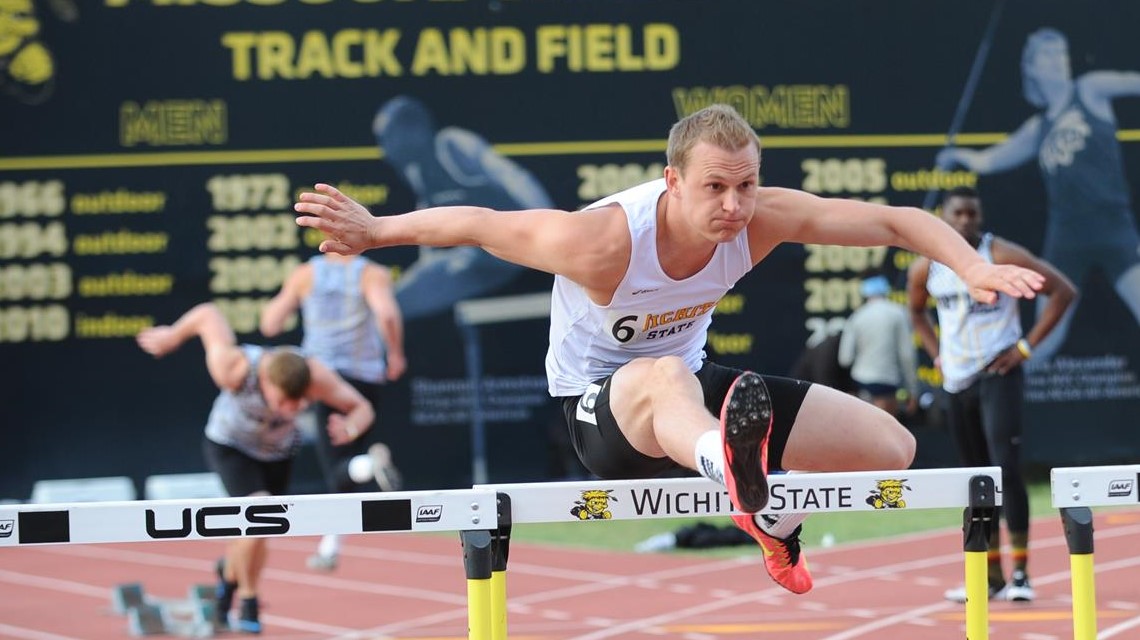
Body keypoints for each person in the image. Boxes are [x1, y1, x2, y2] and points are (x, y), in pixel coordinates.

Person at [294, 104, 1044, 595]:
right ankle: (739, 479)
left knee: (892, 446)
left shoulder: (762, 218)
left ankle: (767, 517)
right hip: (602, 413)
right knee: (654, 372)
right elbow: (483, 223)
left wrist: (972, 267)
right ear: (672, 183)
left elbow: (895, 222)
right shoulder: (603, 241)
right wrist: (379, 230)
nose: (733, 205)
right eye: (715, 188)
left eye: (746, 185)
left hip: (693, 389)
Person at [136, 302, 376, 633]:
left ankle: (228, 578)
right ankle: (248, 599)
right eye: (282, 403)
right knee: (259, 517)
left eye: (300, 404)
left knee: (258, 530)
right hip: (231, 446)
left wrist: (350, 426)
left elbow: (362, 407)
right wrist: (173, 336)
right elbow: (208, 315)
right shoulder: (234, 367)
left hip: (278, 454)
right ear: (264, 381)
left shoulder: (316, 376)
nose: (291, 410)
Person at [906, 186, 1076, 603]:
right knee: (974, 479)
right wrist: (938, 353)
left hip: (998, 374)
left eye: (971, 214)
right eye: (958, 214)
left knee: (1006, 468)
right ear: (944, 218)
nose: (965, 220)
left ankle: (1020, 573)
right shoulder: (927, 266)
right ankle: (989, 573)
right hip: (957, 380)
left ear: (979, 218)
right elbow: (915, 310)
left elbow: (1063, 291)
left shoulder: (999, 255)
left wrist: (1024, 348)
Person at [936, 27, 1140, 367]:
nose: (1058, 61)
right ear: (1031, 67)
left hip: (1113, 227)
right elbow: (990, 160)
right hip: (1067, 237)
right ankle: (1006, 383)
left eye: (1061, 53)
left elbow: (1133, 80)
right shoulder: (1038, 128)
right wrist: (956, 155)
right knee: (1048, 335)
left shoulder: (1088, 90)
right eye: (1047, 54)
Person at [260, 252, 407, 571]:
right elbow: (387, 314)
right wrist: (395, 353)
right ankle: (330, 546)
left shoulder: (305, 274)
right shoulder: (372, 273)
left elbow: (270, 323)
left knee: (340, 467)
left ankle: (366, 467)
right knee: (343, 464)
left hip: (322, 378)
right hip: (362, 378)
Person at [373, 94, 556, 320]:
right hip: (481, 261)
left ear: (415, 130)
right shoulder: (417, 173)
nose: (384, 149)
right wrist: (426, 275)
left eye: (388, 138)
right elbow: (425, 229)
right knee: (394, 303)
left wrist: (550, 227)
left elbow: (513, 177)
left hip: (521, 242)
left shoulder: (453, 144)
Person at [837, 269, 919, 416]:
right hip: (887, 384)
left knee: (863, 435)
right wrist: (913, 390)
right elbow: (907, 355)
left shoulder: (857, 317)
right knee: (887, 435)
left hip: (861, 384)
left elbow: (845, 359)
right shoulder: (898, 314)